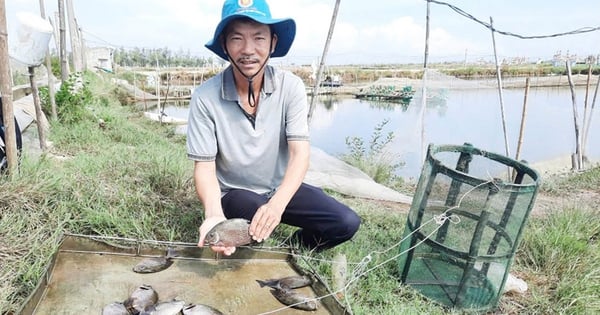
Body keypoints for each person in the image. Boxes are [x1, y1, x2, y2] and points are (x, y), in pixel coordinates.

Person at [186, 0, 360, 256]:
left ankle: (292, 251)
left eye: (259, 38)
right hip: (235, 193)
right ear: (224, 44)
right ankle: (247, 234)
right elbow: (204, 167)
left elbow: (300, 154)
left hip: (277, 187)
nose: (248, 50)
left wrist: (277, 205)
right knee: (251, 207)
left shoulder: (291, 87)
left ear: (273, 43)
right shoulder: (205, 97)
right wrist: (213, 215)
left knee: (345, 222)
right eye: (237, 39)